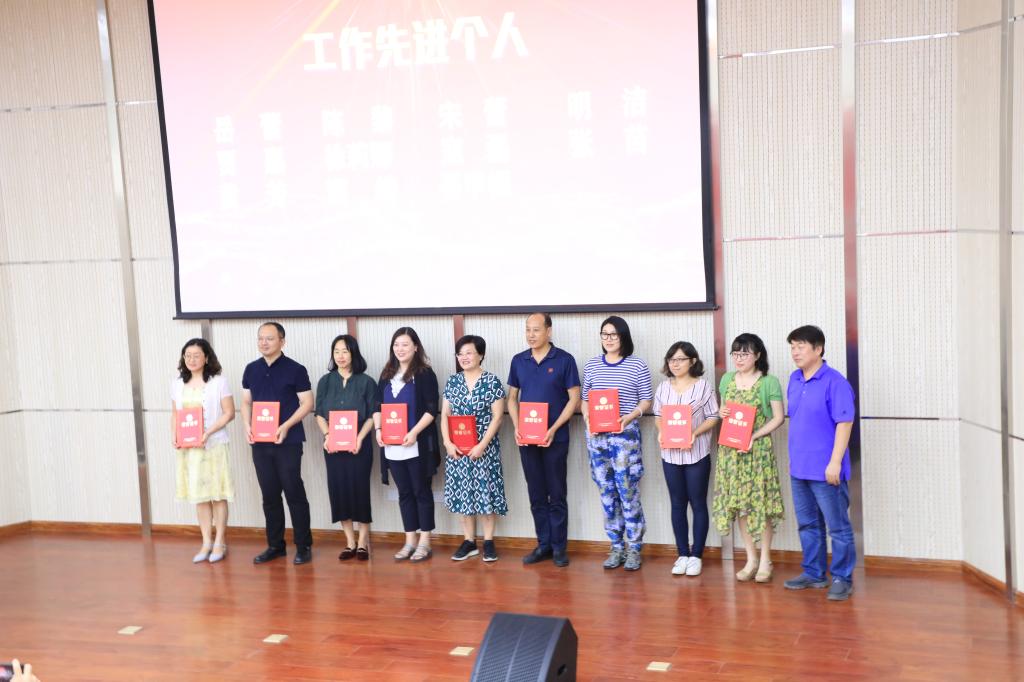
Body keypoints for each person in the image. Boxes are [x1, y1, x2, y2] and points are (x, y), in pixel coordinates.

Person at [782, 325, 857, 601]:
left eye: (801, 346)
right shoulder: (794, 379)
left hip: (827, 470)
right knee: (807, 524)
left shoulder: (835, 382)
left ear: (818, 349)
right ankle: (814, 573)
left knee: (838, 527)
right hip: (799, 468)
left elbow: (844, 423)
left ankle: (842, 578)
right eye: (792, 347)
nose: (795, 352)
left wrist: (835, 462)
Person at [507, 313, 581, 568]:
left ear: (549, 331)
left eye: (536, 330)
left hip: (555, 438)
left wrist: (554, 428)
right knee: (536, 493)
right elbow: (511, 398)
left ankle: (559, 547)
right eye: (527, 330)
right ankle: (544, 544)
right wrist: (517, 426)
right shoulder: (519, 360)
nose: (531, 335)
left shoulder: (564, 360)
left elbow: (574, 399)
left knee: (556, 493)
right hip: (527, 439)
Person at [712, 333, 786, 583]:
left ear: (758, 355)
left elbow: (778, 417)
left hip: (757, 451)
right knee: (740, 506)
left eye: (744, 353)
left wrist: (754, 436)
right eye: (735, 353)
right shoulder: (727, 379)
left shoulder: (769, 382)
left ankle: (765, 559)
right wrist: (721, 412)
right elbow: (724, 411)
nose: (739, 358)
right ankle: (751, 558)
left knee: (760, 506)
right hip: (731, 452)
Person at [581, 316, 653, 571]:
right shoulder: (592, 365)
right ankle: (616, 546)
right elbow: (585, 399)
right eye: (604, 334)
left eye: (613, 334)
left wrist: (629, 417)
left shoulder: (637, 365)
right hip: (597, 439)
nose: (608, 339)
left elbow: (646, 400)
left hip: (625, 438)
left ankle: (634, 548)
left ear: (623, 336)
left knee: (627, 491)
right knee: (606, 493)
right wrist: (588, 419)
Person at [241, 322, 314, 565]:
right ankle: (275, 546)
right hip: (261, 443)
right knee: (269, 495)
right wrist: (247, 425)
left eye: (270, 338)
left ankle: (303, 546)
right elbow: (246, 402)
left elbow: (308, 403)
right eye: (260, 338)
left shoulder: (296, 369)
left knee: (294, 492)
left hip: (288, 440)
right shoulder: (251, 369)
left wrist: (286, 426)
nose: (264, 342)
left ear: (282, 341)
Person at [652, 341, 719, 577]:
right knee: (677, 503)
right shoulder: (663, 387)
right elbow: (658, 415)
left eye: (680, 359)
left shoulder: (703, 386)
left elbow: (713, 416)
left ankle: (696, 555)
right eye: (671, 359)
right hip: (670, 454)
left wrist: (694, 433)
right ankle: (682, 554)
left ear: (692, 361)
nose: (675, 364)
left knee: (697, 503)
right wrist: (661, 431)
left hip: (696, 453)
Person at [373, 327, 440, 563]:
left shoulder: (424, 373)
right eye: (396, 345)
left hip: (416, 444)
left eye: (405, 344)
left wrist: (414, 433)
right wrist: (378, 430)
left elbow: (432, 409)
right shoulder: (386, 374)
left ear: (415, 347)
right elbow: (377, 407)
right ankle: (410, 540)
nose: (400, 349)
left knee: (422, 491)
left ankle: (425, 542)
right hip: (392, 447)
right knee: (404, 493)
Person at [440, 335, 508, 562]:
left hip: (484, 450)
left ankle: (488, 541)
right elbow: (445, 415)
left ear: (481, 355)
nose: (464, 357)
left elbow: (498, 417)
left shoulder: (492, 381)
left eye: (469, 352)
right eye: (460, 354)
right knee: (464, 494)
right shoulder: (453, 381)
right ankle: (469, 541)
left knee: (485, 492)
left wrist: (481, 445)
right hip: (457, 450)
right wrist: (447, 442)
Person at [171, 338, 236, 564]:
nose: (191, 360)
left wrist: (208, 432)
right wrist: (175, 435)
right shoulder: (177, 383)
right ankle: (206, 542)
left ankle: (220, 541)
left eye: (196, 355)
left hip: (214, 445)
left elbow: (229, 413)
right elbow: (175, 414)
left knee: (217, 495)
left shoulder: (219, 382)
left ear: (206, 358)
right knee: (200, 497)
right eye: (187, 355)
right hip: (190, 449)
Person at [314, 334, 377, 561]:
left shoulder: (366, 382)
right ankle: (349, 542)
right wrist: (328, 435)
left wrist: (359, 438)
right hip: (333, 446)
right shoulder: (325, 381)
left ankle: (363, 542)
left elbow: (372, 415)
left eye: (345, 351)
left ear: (353, 353)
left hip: (359, 445)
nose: (340, 356)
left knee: (360, 490)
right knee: (338, 490)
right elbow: (319, 414)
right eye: (336, 351)